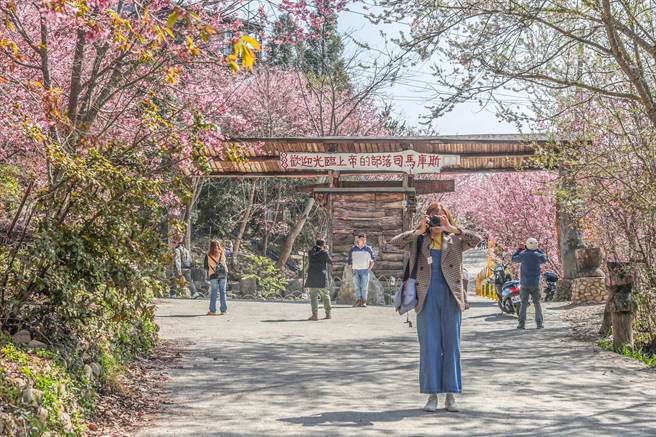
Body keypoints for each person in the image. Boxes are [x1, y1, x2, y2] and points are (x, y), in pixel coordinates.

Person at [390, 202, 481, 413]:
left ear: (447, 218)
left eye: (441, 217)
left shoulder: (456, 240)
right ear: (427, 219)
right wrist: (418, 230)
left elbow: (477, 239)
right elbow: (395, 243)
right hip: (426, 297)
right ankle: (432, 395)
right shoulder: (418, 240)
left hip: (451, 296)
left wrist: (453, 229)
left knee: (452, 347)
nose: (438, 221)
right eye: (434, 217)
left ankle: (451, 395)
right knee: (429, 347)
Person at [512, 237, 548, 329]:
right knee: (537, 303)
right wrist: (538, 250)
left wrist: (519, 250)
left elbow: (514, 259)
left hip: (524, 283)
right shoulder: (538, 255)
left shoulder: (523, 255)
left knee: (523, 303)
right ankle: (539, 324)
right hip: (535, 283)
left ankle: (521, 324)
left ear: (526, 245)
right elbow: (545, 258)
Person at [305, 239, 333, 321]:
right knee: (325, 295)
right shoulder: (324, 253)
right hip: (321, 277)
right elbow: (330, 261)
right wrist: (326, 250)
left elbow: (314, 251)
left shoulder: (310, 252)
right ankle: (328, 314)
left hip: (312, 277)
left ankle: (315, 315)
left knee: (313, 296)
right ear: (323, 245)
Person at [347, 233, 376, 307]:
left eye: (364, 239)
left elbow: (373, 260)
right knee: (357, 287)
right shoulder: (353, 249)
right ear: (358, 239)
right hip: (355, 270)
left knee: (364, 287)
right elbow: (349, 261)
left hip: (364, 270)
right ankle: (358, 301)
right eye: (362, 239)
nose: (363, 240)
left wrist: (368, 269)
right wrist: (351, 270)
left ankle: (364, 301)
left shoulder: (368, 249)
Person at [204, 240, 228, 315]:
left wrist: (212, 269)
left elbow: (205, 266)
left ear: (211, 246)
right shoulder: (222, 253)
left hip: (213, 275)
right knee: (223, 292)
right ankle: (223, 310)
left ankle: (212, 310)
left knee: (214, 292)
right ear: (219, 245)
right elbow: (224, 263)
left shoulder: (208, 255)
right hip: (223, 274)